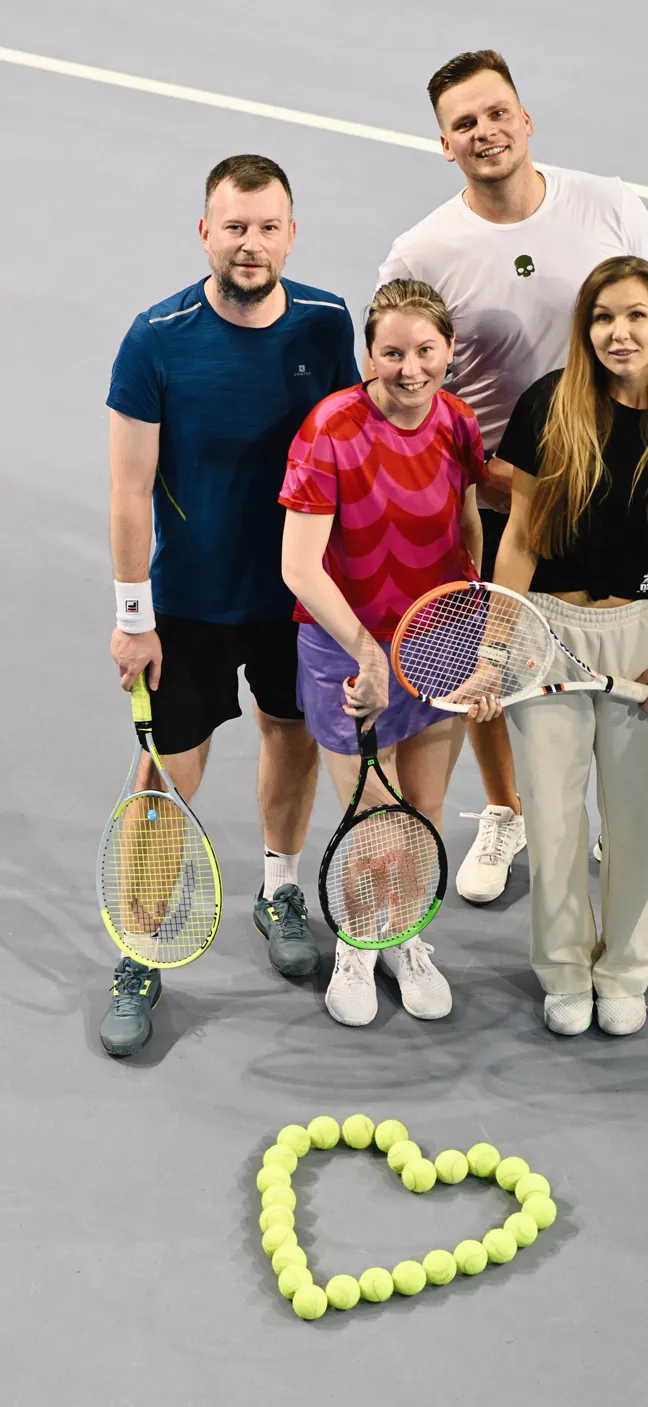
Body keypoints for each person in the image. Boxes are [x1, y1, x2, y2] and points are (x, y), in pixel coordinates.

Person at [376, 49, 648, 911]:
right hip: (512, 487)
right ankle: (506, 808)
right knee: (498, 660)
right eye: (464, 123)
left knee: (640, 652)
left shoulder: (606, 201)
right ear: (443, 144)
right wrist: (482, 483)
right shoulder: (422, 250)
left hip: (636, 477)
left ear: (526, 118)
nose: (484, 131)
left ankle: (638, 820)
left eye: (497, 113)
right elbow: (416, 381)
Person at [101, 155, 358, 1056]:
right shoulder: (155, 338)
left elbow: (347, 455)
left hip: (293, 597)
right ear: (204, 232)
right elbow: (130, 489)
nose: (251, 244)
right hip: (192, 605)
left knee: (290, 734)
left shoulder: (328, 324)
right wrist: (136, 615)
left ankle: (279, 886)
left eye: (268, 226)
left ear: (292, 233)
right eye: (234, 226)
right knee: (169, 772)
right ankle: (140, 944)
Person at [472, 256, 648, 1035]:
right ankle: (563, 969)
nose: (619, 333)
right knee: (552, 818)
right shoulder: (551, 403)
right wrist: (498, 641)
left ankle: (623, 971)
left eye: (636, 317)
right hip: (548, 627)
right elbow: (517, 537)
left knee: (637, 818)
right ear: (586, 329)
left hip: (646, 633)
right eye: (603, 318)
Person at [280, 279, 485, 1028]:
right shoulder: (329, 427)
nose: (409, 368)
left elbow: (467, 529)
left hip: (437, 638)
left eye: (425, 350)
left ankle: (405, 936)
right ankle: (359, 943)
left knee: (423, 812)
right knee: (375, 814)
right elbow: (299, 566)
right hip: (346, 645)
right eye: (391, 351)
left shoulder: (457, 422)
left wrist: (476, 621)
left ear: (448, 351)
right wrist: (365, 652)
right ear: (369, 351)